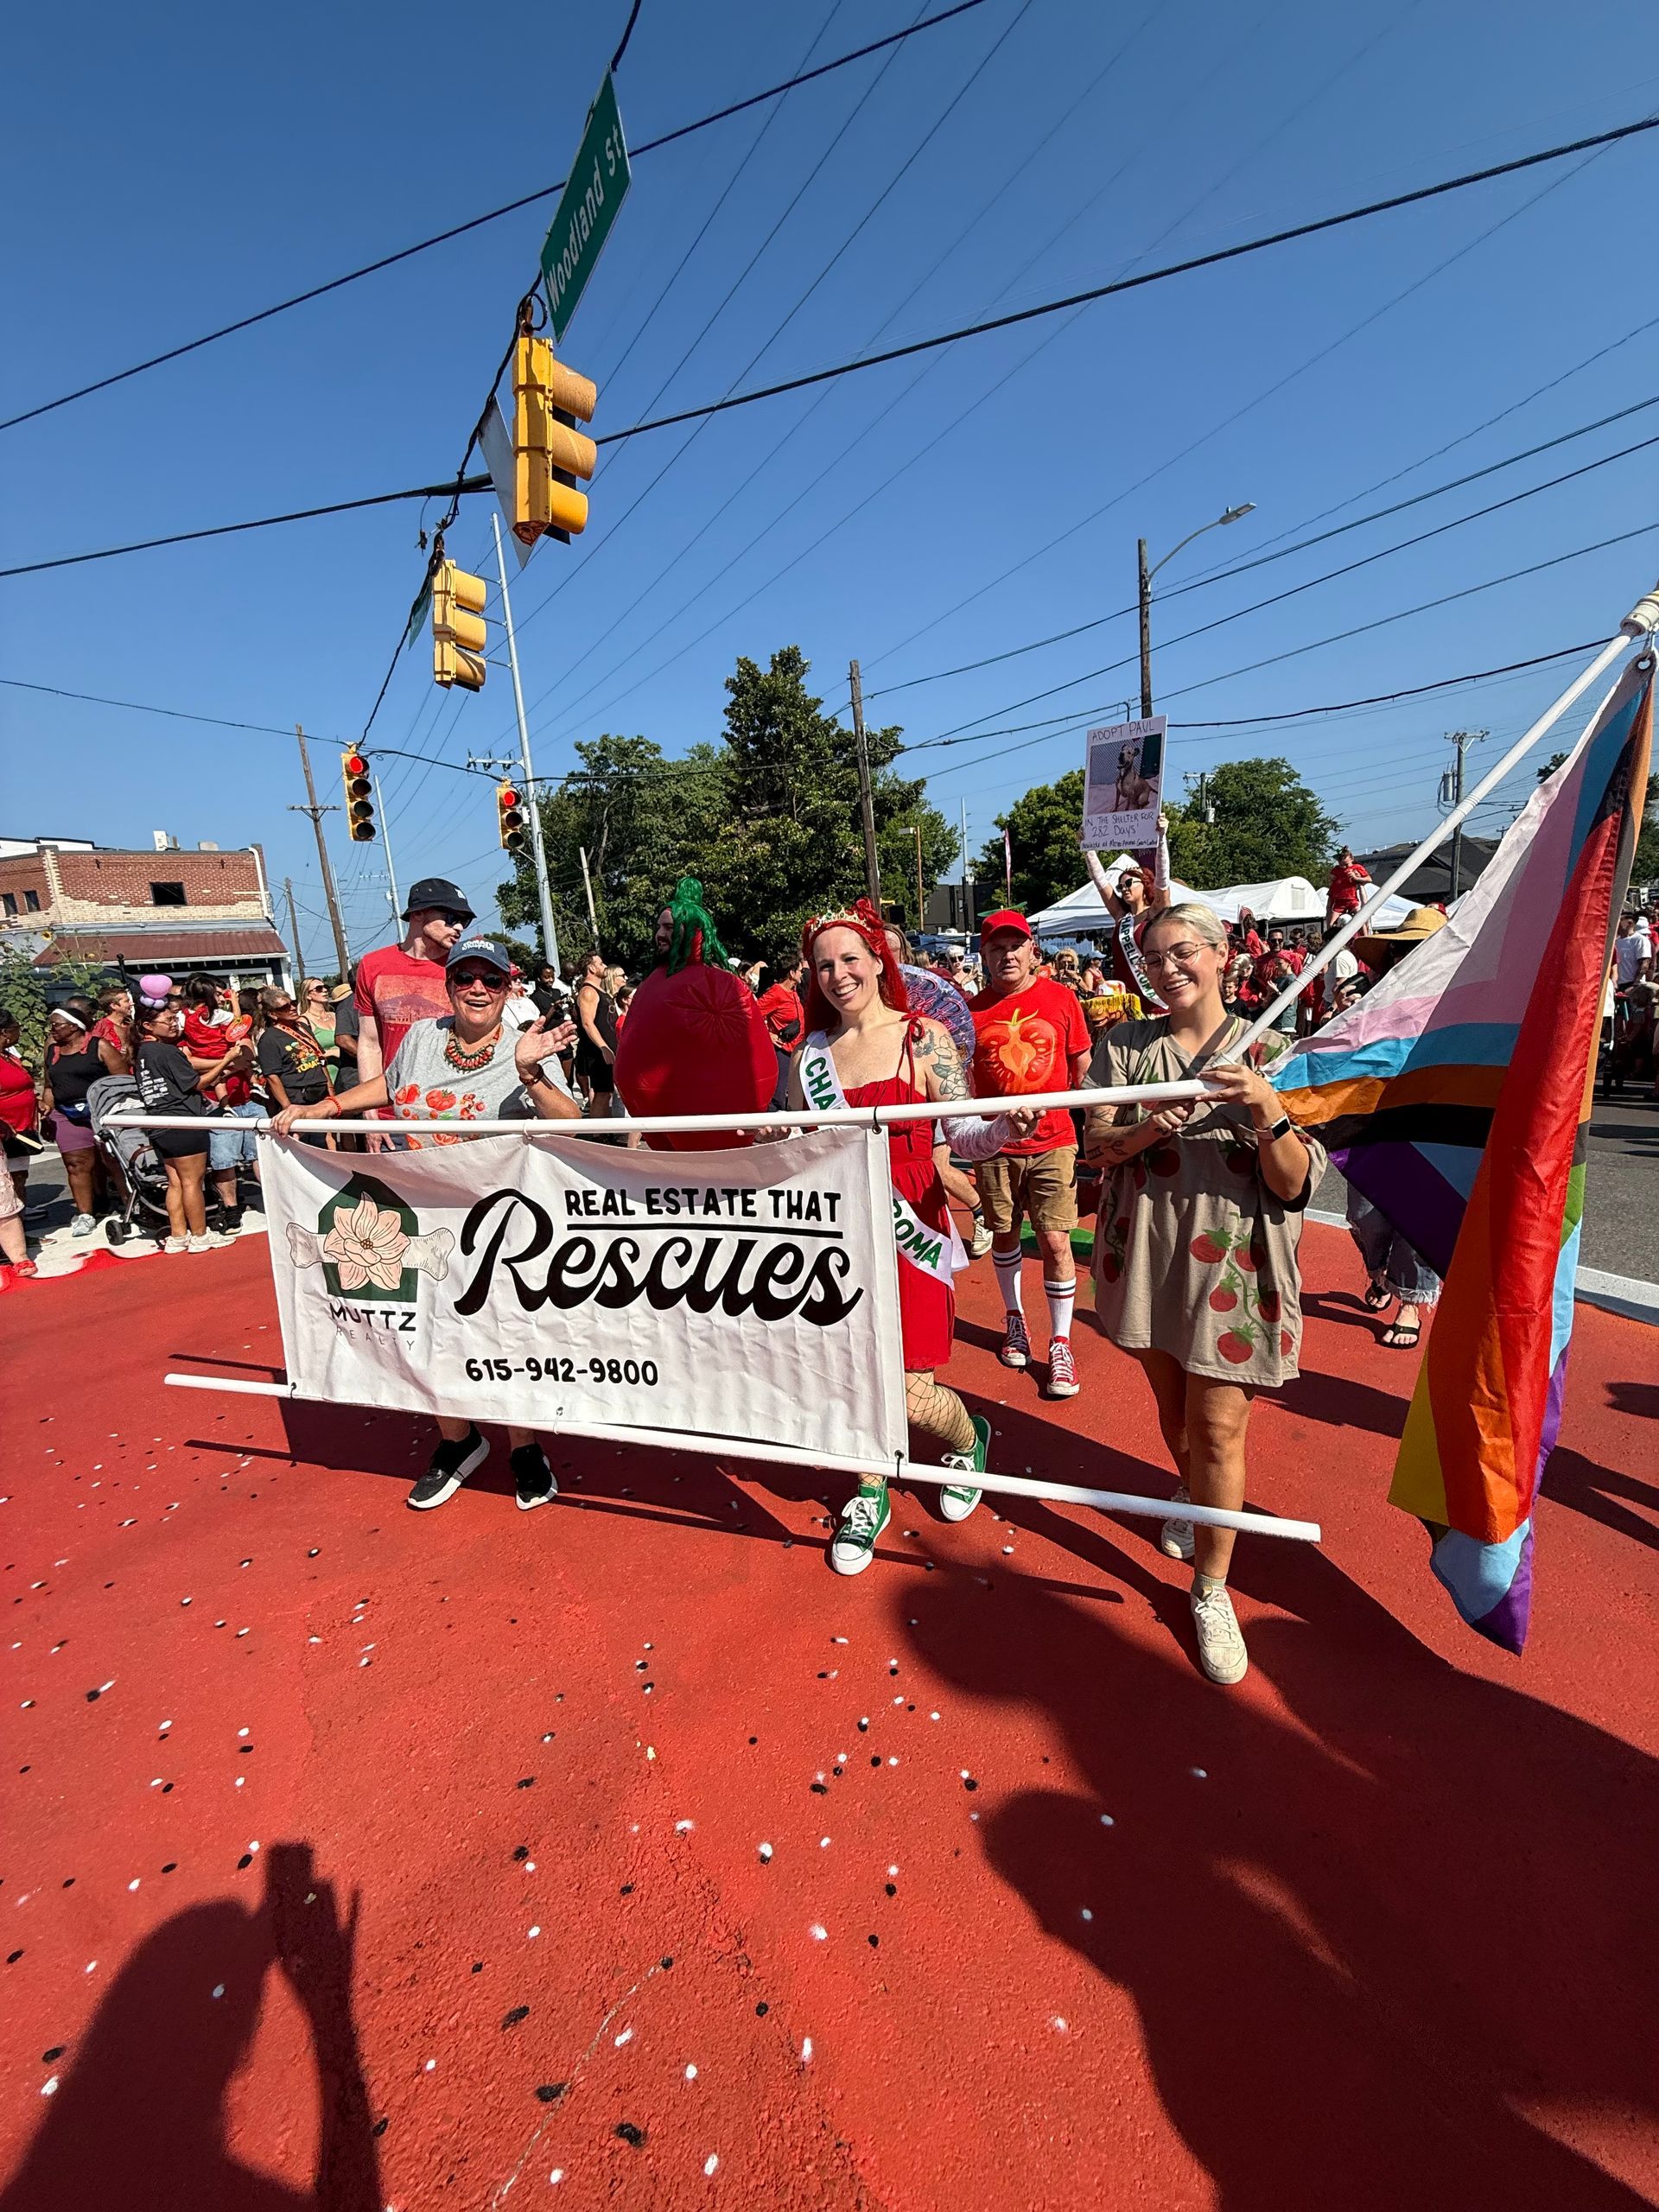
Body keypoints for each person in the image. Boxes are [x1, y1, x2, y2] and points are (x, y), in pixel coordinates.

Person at [1084, 904, 1320, 1685]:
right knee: (1177, 1413)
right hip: (1147, 1250)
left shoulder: (1276, 1047)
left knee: (1219, 1427)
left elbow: (1294, 1185)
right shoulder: (1124, 1047)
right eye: (1152, 957)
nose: (1167, 968)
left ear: (1224, 956)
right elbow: (1097, 1147)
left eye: (1183, 951)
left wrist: (1266, 1110)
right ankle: (1190, 1489)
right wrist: (1153, 1126)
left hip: (1235, 1261)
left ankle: (1212, 1587)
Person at [273, 938, 580, 1511]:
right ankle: (458, 1442)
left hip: (496, 1228)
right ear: (450, 985)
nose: (478, 989)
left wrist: (530, 1076)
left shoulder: (526, 1048)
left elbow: (574, 1125)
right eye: (465, 977)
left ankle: (524, 1446)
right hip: (418, 1216)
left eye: (491, 979)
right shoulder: (422, 1038)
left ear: (509, 987)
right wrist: (324, 1108)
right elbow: (391, 1087)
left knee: (505, 1339)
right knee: (429, 1334)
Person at [785, 902, 1033, 1573]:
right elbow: (798, 1143)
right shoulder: (808, 1054)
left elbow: (966, 1137)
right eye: (824, 965)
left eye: (850, 960)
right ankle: (871, 1487)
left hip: (909, 1219)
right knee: (848, 1372)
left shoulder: (922, 1039)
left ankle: (965, 1436)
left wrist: (1005, 1129)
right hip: (837, 1227)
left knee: (908, 1386)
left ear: (877, 961)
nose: (839, 975)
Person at [969, 910, 1093, 1397]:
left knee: (1057, 1242)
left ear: (1031, 950)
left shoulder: (1062, 1000)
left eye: (1014, 946)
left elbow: (1082, 1067)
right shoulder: (970, 1010)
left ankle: (1060, 1341)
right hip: (996, 1144)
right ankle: (1014, 1319)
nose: (1007, 955)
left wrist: (1096, 1126)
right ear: (985, 955)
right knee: (1004, 1234)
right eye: (996, 948)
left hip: (1054, 1142)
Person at [352, 878, 475, 1139]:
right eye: (452, 917)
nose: (460, 927)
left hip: (449, 1113)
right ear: (418, 914)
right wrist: (369, 1112)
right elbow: (370, 1042)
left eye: (466, 920)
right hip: (390, 1117)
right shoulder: (373, 965)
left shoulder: (464, 970)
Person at [130, 987, 250, 1254]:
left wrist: (221, 1066)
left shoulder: (143, 1053)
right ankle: (199, 1234)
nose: (174, 1024)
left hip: (159, 1123)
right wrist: (227, 1059)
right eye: (168, 1021)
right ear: (147, 1025)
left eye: (174, 1019)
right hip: (184, 1121)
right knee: (192, 1182)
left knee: (175, 1182)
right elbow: (198, 1084)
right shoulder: (167, 1052)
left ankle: (178, 1234)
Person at [181, 973, 259, 1233]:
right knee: (224, 1160)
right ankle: (231, 1208)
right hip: (213, 1105)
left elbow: (247, 1054)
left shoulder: (209, 1020)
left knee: (261, 1156)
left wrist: (231, 1062)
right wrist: (226, 1063)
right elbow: (189, 1063)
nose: (222, 997)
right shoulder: (188, 1023)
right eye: (218, 993)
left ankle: (274, 1199)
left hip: (247, 1099)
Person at [41, 1006, 124, 1235]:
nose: (52, 1029)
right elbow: (50, 1085)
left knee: (113, 1161)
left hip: (102, 1111)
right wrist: (46, 1109)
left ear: (74, 1026)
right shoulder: (52, 1050)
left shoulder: (100, 1046)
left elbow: (122, 1080)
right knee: (76, 1164)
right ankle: (85, 1214)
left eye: (56, 1025)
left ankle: (131, 1205)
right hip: (66, 1112)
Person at [1084, 816, 1173, 1008]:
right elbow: (1100, 882)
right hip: (1124, 1002)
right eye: (1121, 885)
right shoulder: (1121, 917)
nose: (1124, 888)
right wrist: (1088, 848)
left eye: (1130, 883)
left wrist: (1162, 838)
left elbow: (1163, 880)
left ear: (1146, 884)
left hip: (1154, 1002)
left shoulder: (1156, 913)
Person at [256, 988, 333, 1125]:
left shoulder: (302, 1027)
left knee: (325, 1135)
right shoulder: (269, 1039)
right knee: (306, 1141)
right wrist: (287, 1107)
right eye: (285, 1007)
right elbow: (272, 1077)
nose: (292, 1008)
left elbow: (320, 1059)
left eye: (293, 1003)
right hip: (298, 1097)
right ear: (273, 1014)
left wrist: (330, 1090)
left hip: (320, 1092)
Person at [573, 950, 620, 1110]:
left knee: (608, 1092)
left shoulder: (599, 990)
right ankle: (600, 1134)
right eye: (600, 964)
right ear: (591, 968)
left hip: (609, 1048)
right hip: (598, 1053)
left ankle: (606, 1131)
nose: (604, 966)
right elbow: (587, 1023)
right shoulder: (588, 991)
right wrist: (603, 1048)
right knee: (602, 1092)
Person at [300, 978, 340, 1084]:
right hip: (326, 1077)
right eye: (319, 989)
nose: (325, 990)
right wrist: (331, 1052)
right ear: (308, 995)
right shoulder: (303, 1021)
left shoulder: (335, 1015)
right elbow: (305, 1054)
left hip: (348, 1073)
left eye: (325, 987)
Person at [1325, 844, 1373, 927]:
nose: (1340, 860)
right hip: (1338, 898)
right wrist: (1330, 877)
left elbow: (1369, 879)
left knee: (1360, 919)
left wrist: (1356, 878)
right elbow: (1330, 877)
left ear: (1351, 858)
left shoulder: (1356, 867)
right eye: (1339, 859)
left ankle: (1364, 936)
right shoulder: (1337, 869)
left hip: (1351, 899)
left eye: (1343, 858)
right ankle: (1331, 936)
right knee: (1331, 923)